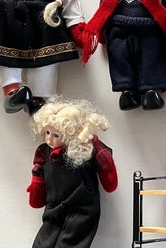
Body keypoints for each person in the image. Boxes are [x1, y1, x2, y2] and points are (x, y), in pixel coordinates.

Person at [27, 97, 118, 248]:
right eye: (47, 132)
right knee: (42, 244)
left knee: (71, 244)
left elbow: (107, 169)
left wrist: (108, 174)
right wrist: (36, 187)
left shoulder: (86, 148)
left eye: (56, 135)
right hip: (54, 209)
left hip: (81, 210)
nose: (49, 139)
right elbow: (38, 180)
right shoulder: (44, 152)